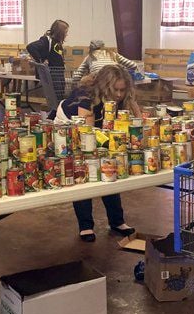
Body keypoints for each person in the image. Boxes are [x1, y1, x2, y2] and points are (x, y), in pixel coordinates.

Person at [51, 65, 140, 242]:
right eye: (116, 90)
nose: (119, 94)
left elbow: (137, 119)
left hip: (98, 130)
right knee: (83, 172)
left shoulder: (122, 97)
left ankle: (117, 221)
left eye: (123, 90)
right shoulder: (86, 96)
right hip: (70, 127)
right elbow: (87, 133)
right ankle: (85, 226)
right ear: (106, 86)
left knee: (110, 168)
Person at [27, 19, 69, 99]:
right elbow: (31, 47)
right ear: (60, 32)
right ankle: (55, 110)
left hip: (59, 71)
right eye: (65, 32)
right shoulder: (47, 40)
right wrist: (41, 61)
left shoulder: (58, 42)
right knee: (55, 95)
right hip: (52, 72)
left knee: (60, 93)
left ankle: (56, 110)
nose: (66, 34)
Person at [72, 39, 139, 82]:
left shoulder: (89, 57)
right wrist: (121, 69)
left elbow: (76, 77)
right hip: (114, 82)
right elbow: (133, 65)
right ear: (103, 46)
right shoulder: (113, 54)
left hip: (97, 85)